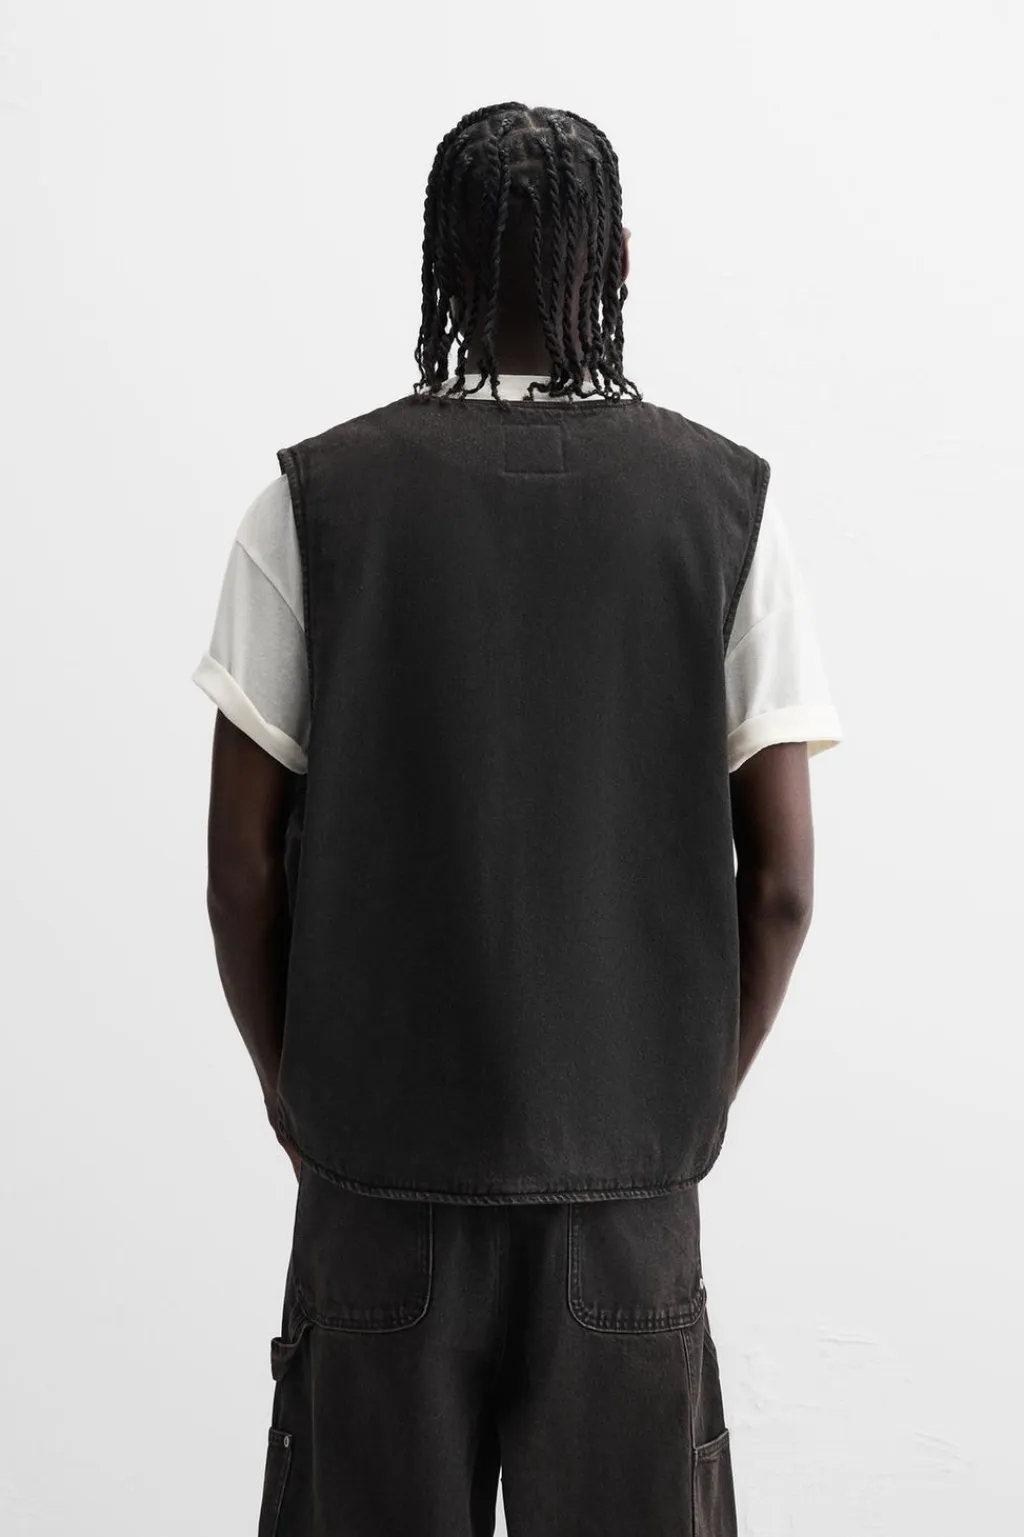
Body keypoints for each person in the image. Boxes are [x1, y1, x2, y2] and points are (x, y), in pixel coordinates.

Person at [194, 102, 842, 1537]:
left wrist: (298, 1100)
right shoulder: (728, 512)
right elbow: (784, 884)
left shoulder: (310, 506)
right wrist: (680, 1100)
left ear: (437, 261)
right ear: (619, 258)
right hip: (625, 1197)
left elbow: (242, 871)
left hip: (378, 1180)